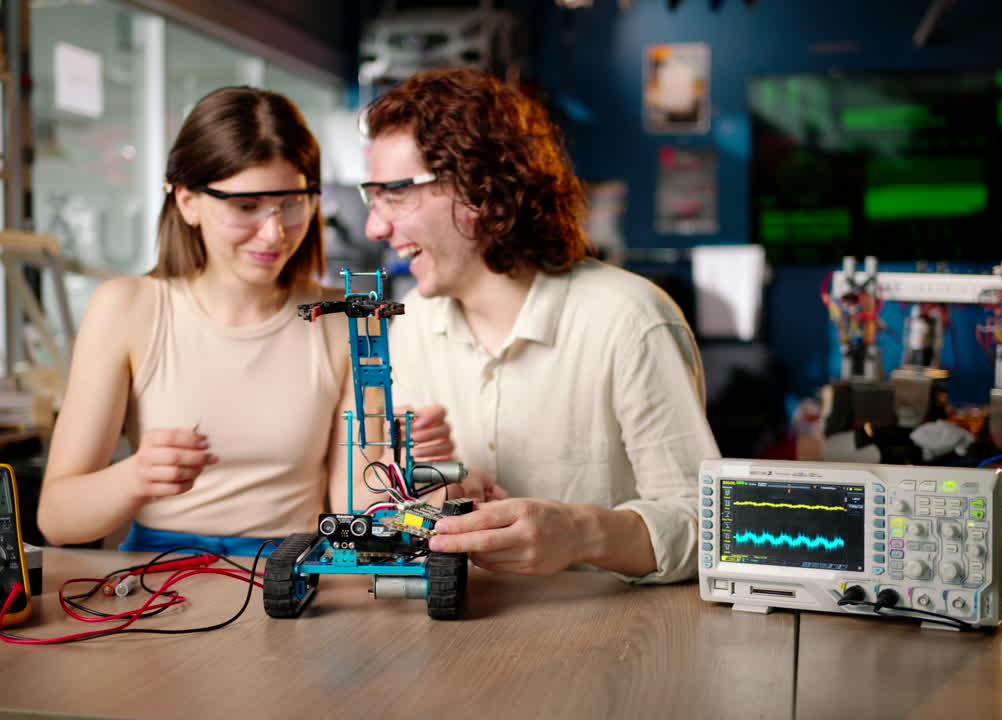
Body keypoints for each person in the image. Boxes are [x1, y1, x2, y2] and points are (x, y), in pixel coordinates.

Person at [37, 86, 453, 556]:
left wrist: (403, 465)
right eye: (246, 207)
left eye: (293, 203)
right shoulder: (127, 308)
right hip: (157, 581)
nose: (274, 232)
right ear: (188, 201)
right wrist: (135, 477)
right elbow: (57, 519)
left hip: (291, 574)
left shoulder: (347, 322)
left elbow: (354, 512)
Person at [361, 68, 721, 583]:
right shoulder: (413, 322)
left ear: (476, 189)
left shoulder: (630, 320)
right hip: (462, 634)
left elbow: (705, 528)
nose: (376, 226)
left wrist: (581, 534)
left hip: (615, 640)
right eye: (371, 198)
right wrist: (440, 491)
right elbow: (400, 511)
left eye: (395, 194)